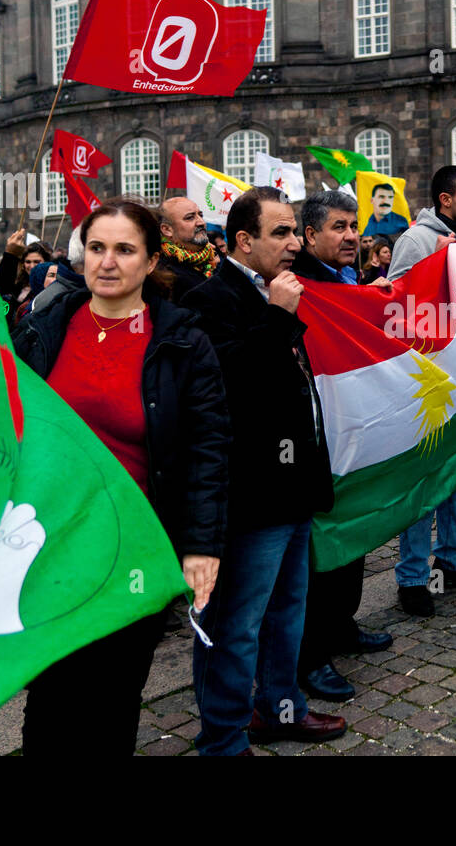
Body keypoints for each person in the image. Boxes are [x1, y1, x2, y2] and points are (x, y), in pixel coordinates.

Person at [10, 196, 227, 756]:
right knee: (52, 696)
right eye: (97, 248)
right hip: (50, 548)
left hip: (135, 550)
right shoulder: (42, 328)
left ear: (151, 261)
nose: (107, 262)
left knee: (111, 697)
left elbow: (208, 451)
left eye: (125, 250)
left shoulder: (183, 341)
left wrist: (202, 545)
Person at [180, 186, 345, 755]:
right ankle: (222, 740)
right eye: (281, 232)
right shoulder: (207, 298)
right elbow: (229, 386)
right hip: (250, 495)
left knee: (286, 612)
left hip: (293, 484)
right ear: (243, 241)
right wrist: (277, 315)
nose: (295, 242)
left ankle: (281, 707)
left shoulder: (285, 290)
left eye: (296, 230)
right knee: (235, 624)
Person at [287, 190, 394, 702]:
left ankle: (343, 626)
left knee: (352, 536)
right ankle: (311, 656)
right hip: (314, 439)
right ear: (310, 236)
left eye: (354, 226)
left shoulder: (344, 280)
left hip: (351, 433)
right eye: (339, 227)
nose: (352, 235)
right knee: (318, 551)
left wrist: (375, 298)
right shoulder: (299, 286)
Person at [387, 166, 456, 616]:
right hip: (428, 380)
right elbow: (397, 307)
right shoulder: (415, 240)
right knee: (424, 479)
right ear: (444, 200)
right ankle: (413, 577)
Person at [157, 197, 219, 301]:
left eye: (201, 215)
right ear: (167, 230)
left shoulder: (216, 257)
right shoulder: (163, 274)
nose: (201, 222)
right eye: (190, 217)